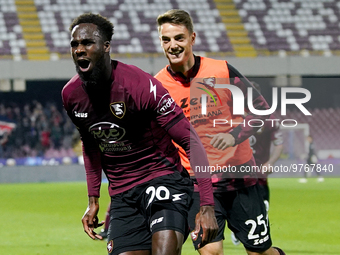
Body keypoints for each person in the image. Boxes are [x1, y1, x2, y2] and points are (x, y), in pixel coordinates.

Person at [61, 13, 218, 255]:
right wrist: (93, 200)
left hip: (163, 178)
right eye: (75, 44)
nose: (79, 50)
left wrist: (207, 205)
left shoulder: (141, 85)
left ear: (105, 46)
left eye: (87, 43)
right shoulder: (71, 95)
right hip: (123, 194)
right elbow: (91, 145)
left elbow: (190, 140)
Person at [155, 9, 286, 255]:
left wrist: (233, 135)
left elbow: (262, 110)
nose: (173, 45)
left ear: (192, 38)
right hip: (197, 184)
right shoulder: (158, 86)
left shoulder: (222, 71)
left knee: (259, 252)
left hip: (241, 178)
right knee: (210, 251)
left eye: (179, 38)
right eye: (166, 39)